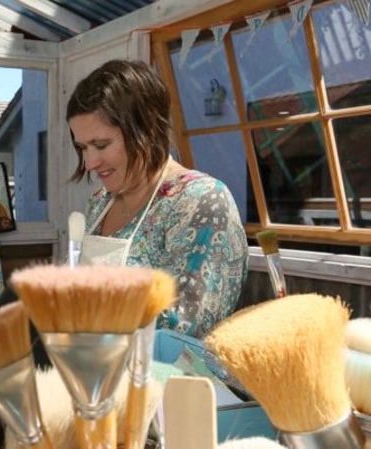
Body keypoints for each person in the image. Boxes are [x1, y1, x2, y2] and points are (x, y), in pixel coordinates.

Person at [67, 59, 247, 337]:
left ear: (148, 129)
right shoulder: (100, 201)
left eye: (102, 145)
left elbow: (184, 325)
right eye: (83, 147)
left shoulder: (201, 201)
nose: (90, 162)